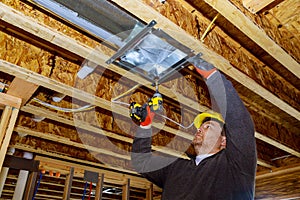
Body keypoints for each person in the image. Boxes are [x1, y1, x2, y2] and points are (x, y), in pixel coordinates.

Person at [131, 56, 257, 200]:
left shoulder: (235, 167)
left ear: (223, 141)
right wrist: (145, 125)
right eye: (201, 127)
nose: (200, 130)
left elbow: (240, 124)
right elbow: (141, 163)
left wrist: (212, 76)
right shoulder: (176, 168)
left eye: (208, 127)